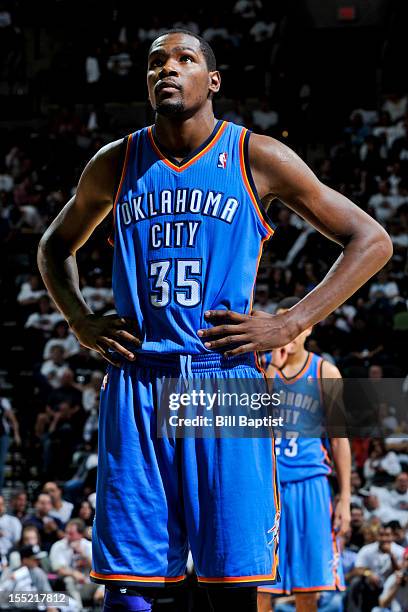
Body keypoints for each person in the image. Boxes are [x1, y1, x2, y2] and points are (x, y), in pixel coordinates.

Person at [37, 28, 392, 612]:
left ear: (214, 80)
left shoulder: (258, 155)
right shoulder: (115, 162)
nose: (167, 70)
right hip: (140, 377)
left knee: (233, 588)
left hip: (223, 378)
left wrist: (287, 321)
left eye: (184, 59)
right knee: (131, 590)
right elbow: (54, 247)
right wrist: (79, 320)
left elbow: (371, 240)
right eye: (156, 63)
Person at [258, 296, 350, 612]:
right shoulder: (263, 371)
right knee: (260, 584)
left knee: (310, 585)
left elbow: (339, 440)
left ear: (308, 327)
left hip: (310, 483)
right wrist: (271, 368)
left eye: (295, 325)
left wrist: (346, 499)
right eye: (281, 325)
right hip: (267, 489)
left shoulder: (326, 372)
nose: (289, 332)